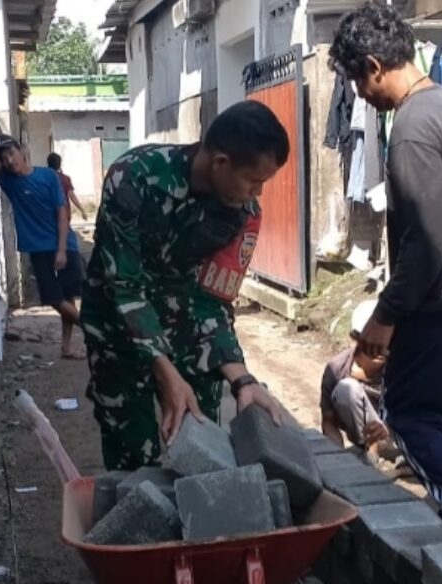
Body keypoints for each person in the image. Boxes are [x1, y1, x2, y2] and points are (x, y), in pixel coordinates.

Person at [329, 2, 442, 539]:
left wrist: (385, 317)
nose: (360, 96)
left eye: (358, 83)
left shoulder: (410, 127)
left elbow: (426, 245)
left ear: (373, 66)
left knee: (410, 412)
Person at [81, 101, 289, 470]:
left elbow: (213, 301)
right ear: (221, 162)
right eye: (254, 181)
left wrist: (242, 380)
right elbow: (125, 286)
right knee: (135, 462)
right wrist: (165, 373)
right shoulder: (135, 178)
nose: (258, 193)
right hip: (118, 333)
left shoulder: (243, 215)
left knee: (203, 454)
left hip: (188, 333)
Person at [0, 137, 83, 359]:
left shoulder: (48, 176)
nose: (9, 160)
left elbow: (61, 212)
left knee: (68, 295)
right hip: (38, 247)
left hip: (64, 243)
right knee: (53, 298)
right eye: (4, 158)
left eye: (12, 154)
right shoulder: (9, 182)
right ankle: (94, 329)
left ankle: (66, 347)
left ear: (22, 151)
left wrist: (61, 249)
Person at [320, 299, 390, 453]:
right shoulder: (336, 369)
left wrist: (389, 428)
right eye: (371, 341)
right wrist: (337, 457)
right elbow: (329, 422)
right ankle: (371, 454)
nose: (381, 347)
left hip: (400, 436)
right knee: (347, 389)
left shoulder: (402, 364)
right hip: (366, 440)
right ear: (356, 338)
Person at [47, 152, 88, 223]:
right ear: (59, 164)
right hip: (64, 214)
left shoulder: (44, 178)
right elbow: (72, 196)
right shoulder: (65, 179)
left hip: (48, 214)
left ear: (48, 163)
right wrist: (82, 210)